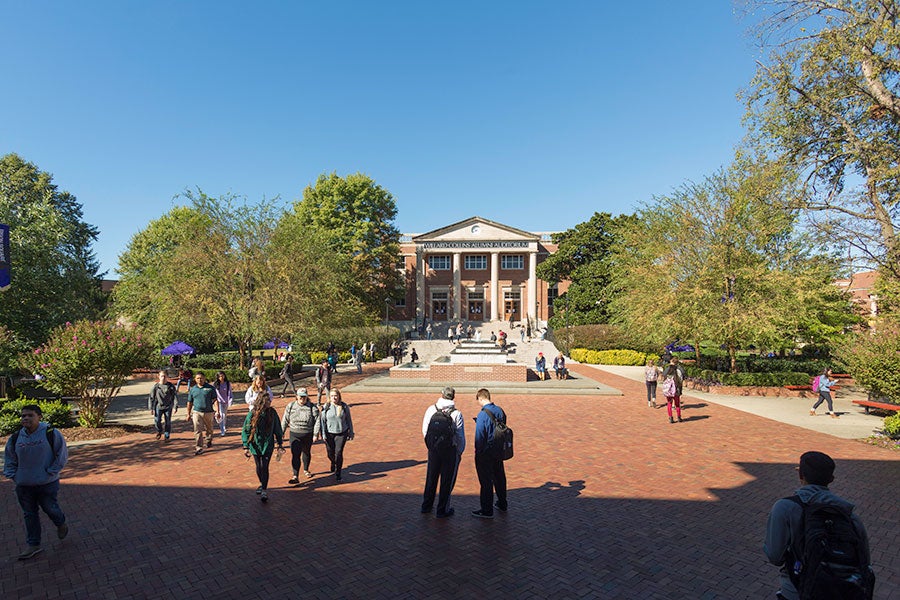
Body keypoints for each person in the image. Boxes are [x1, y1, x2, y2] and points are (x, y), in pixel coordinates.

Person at [764, 451, 873, 600]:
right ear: (831, 479)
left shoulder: (785, 508)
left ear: (800, 475)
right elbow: (864, 562)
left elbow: (775, 556)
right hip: (842, 592)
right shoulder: (849, 515)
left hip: (796, 590)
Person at [3, 404, 69, 560]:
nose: (26, 418)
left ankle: (61, 523)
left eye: (30, 415)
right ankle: (34, 544)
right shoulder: (15, 438)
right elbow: (10, 458)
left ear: (39, 417)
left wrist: (51, 472)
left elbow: (61, 454)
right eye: (23, 416)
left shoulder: (50, 433)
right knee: (29, 514)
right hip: (24, 485)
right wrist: (14, 475)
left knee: (50, 508)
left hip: (46, 483)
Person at [421, 387, 465, 518]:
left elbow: (425, 429)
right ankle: (442, 509)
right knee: (447, 480)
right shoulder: (456, 413)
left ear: (442, 395)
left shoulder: (431, 409)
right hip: (449, 451)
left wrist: (430, 446)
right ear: (453, 397)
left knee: (431, 477)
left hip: (433, 449)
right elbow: (460, 435)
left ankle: (426, 506)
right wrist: (459, 451)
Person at [241, 392, 284, 503]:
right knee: (258, 466)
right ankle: (262, 482)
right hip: (255, 444)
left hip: (267, 444)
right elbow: (246, 430)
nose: (270, 402)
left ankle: (264, 490)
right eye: (268, 400)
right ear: (262, 402)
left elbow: (277, 428)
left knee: (265, 466)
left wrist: (280, 443)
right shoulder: (253, 413)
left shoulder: (272, 413)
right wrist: (245, 445)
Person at [472, 388, 508, 519]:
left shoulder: (482, 414)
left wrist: (478, 451)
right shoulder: (500, 410)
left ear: (481, 398)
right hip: (498, 449)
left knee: (486, 481)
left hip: (486, 452)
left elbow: (480, 436)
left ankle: (487, 509)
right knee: (499, 477)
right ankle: (502, 503)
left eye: (478, 401)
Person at [281, 388, 321, 483]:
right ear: (297, 396)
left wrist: (316, 434)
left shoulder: (312, 407)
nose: (302, 398)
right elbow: (285, 420)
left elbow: (317, 421)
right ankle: (295, 476)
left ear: (307, 396)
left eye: (304, 396)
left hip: (308, 434)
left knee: (306, 452)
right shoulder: (291, 406)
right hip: (295, 434)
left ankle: (306, 469)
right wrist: (281, 433)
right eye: (300, 396)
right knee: (295, 454)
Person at [320, 388, 354, 482]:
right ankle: (333, 462)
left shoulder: (344, 406)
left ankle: (338, 472)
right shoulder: (326, 406)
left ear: (339, 396)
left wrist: (351, 432)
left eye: (335, 395)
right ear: (329, 397)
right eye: (332, 396)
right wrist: (322, 433)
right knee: (330, 453)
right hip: (329, 433)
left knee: (338, 452)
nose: (334, 397)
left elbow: (348, 420)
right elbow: (322, 421)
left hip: (341, 433)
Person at [186, 372, 218, 455]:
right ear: (195, 379)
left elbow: (215, 400)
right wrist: (188, 414)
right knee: (197, 430)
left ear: (204, 378)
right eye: (198, 378)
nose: (200, 380)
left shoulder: (210, 388)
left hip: (209, 412)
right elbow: (189, 402)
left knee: (209, 429)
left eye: (201, 378)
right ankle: (199, 447)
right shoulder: (193, 389)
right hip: (197, 412)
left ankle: (208, 439)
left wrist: (217, 411)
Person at [149, 370, 178, 442]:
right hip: (158, 406)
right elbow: (151, 398)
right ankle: (159, 431)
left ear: (167, 377)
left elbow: (174, 397)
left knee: (168, 422)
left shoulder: (170, 386)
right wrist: (151, 408)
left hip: (168, 406)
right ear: (158, 377)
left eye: (165, 376)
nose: (163, 378)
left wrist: (175, 406)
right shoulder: (156, 387)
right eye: (162, 376)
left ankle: (167, 436)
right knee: (157, 421)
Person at [662, 358, 685, 424]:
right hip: (676, 389)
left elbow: (663, 374)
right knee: (677, 404)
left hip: (668, 389)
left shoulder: (668, 369)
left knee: (669, 403)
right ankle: (679, 417)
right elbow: (682, 377)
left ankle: (670, 417)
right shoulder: (678, 370)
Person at [213, 371, 232, 436]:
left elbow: (230, 392)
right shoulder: (215, 384)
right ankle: (222, 430)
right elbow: (215, 394)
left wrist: (230, 400)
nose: (221, 377)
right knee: (222, 415)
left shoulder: (227, 383)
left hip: (226, 401)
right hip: (219, 402)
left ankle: (223, 426)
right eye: (220, 376)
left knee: (225, 415)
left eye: (222, 376)